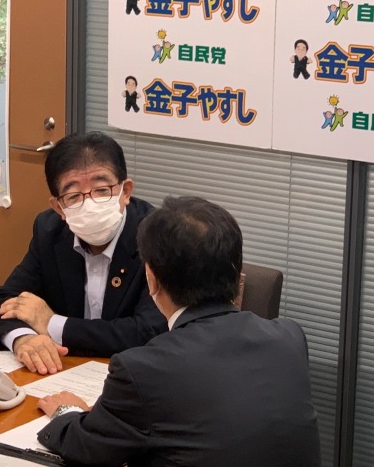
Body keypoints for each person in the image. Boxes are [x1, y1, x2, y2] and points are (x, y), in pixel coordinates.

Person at [36, 196, 321, 466]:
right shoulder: (289, 338)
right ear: (237, 273)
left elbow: (87, 447)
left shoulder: (142, 371)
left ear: (151, 279)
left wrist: (67, 412)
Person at [0, 132, 168, 375]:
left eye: (102, 190)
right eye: (73, 196)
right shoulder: (49, 231)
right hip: (63, 372)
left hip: (133, 375)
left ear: (125, 191)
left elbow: (149, 331)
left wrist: (51, 324)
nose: (90, 203)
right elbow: (6, 301)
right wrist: (24, 339)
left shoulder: (157, 236)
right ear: (59, 208)